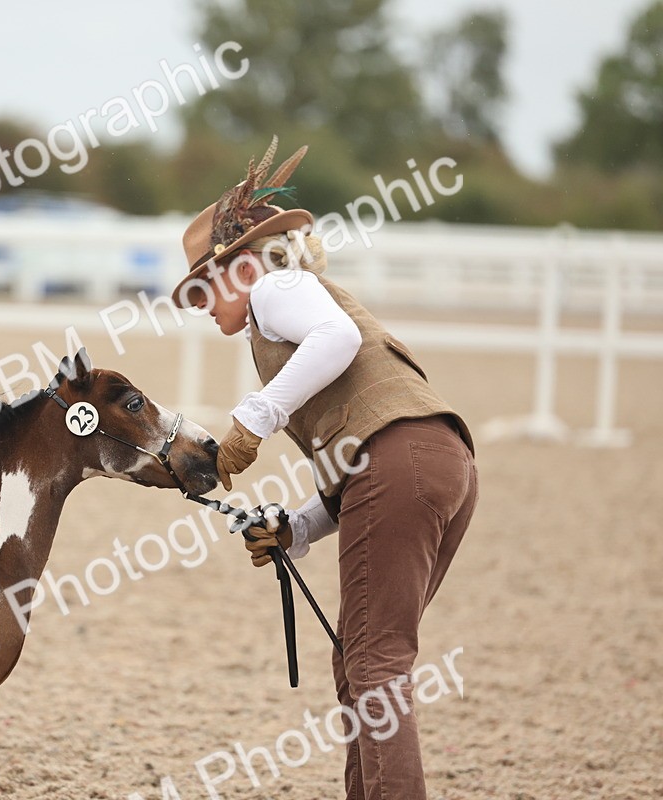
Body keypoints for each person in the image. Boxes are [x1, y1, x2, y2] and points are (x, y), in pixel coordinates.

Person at [171, 140, 479, 800]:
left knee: (376, 660)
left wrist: (252, 421)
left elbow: (337, 343)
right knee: (366, 657)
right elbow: (359, 453)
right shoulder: (285, 302)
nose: (198, 303)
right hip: (437, 461)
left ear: (238, 270)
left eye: (203, 285)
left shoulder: (276, 291)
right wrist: (298, 528)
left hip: (403, 463)